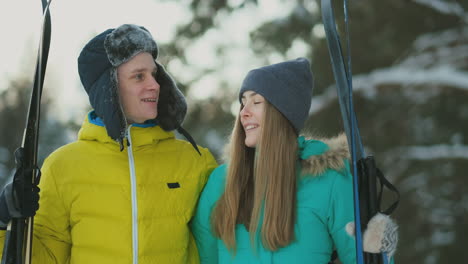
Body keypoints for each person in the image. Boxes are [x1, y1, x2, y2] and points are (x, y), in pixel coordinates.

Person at [0, 24, 218, 263]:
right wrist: (6, 221)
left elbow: (223, 244)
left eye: (154, 74)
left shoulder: (195, 162)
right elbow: (43, 257)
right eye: (138, 76)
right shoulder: (64, 166)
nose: (154, 85)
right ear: (109, 87)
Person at [191, 58, 398, 263]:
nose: (243, 113)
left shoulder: (328, 179)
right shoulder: (221, 182)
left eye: (256, 102)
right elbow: (205, 258)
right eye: (243, 102)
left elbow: (360, 257)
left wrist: (378, 250)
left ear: (282, 114)